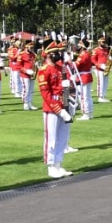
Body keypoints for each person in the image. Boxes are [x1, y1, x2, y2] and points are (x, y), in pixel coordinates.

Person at [38, 40, 75, 178]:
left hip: (64, 103)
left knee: (62, 138)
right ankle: (50, 166)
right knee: (51, 138)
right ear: (48, 54)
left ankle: (58, 164)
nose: (58, 55)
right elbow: (45, 93)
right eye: (55, 53)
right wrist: (58, 109)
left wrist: (70, 88)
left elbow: (69, 85)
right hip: (51, 108)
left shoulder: (61, 68)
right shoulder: (44, 70)